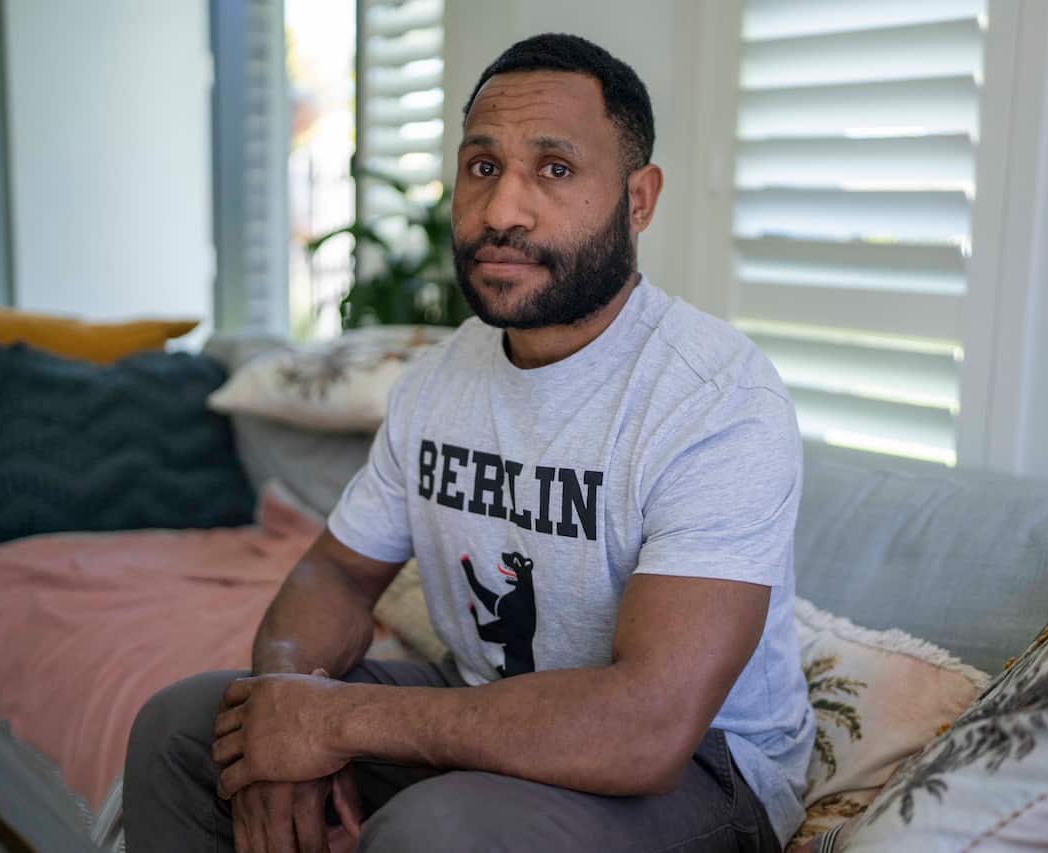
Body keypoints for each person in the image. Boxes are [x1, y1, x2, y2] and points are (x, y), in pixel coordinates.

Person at [123, 32, 815, 852]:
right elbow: (336, 575)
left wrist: (335, 719)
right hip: (486, 711)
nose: (501, 212)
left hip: (702, 770)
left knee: (439, 831)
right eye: (482, 166)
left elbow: (648, 725)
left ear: (639, 199)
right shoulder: (438, 381)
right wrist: (283, 707)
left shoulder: (716, 401)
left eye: (554, 170)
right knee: (185, 728)